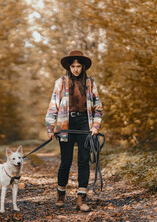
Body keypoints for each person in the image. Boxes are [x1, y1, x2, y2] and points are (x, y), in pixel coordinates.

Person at [45, 50, 103, 212]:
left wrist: (95, 126)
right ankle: (61, 194)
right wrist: (50, 127)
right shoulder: (61, 82)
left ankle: (81, 198)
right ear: (69, 67)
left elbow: (98, 107)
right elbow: (53, 105)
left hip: (85, 123)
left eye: (78, 66)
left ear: (83, 67)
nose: (76, 69)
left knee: (84, 161)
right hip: (65, 123)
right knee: (66, 161)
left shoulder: (90, 83)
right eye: (73, 66)